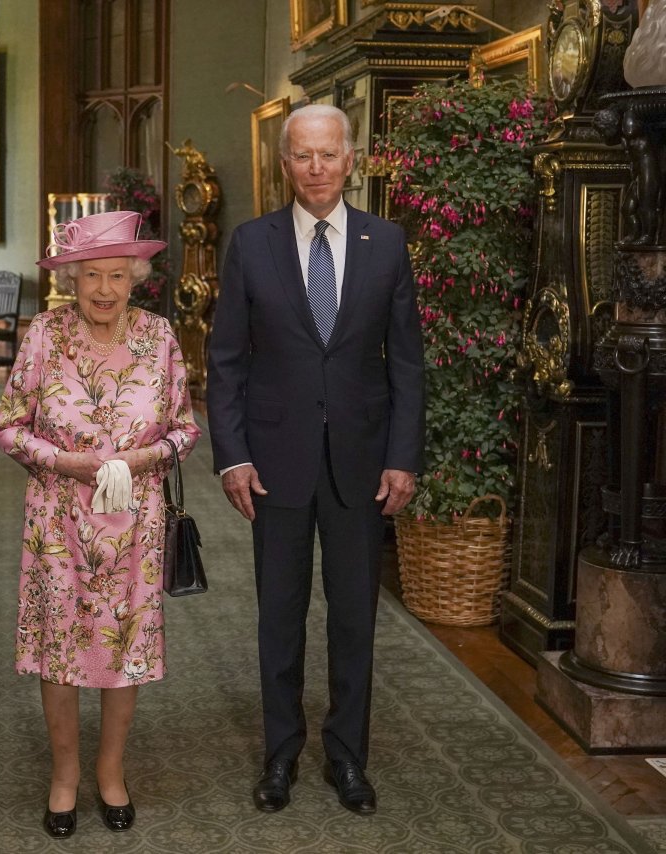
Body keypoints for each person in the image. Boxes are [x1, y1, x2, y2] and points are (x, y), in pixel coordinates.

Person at [206, 104, 424, 816]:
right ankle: (279, 757)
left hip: (364, 466)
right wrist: (232, 457)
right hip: (275, 463)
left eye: (329, 154)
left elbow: (408, 367)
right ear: (284, 162)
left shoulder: (386, 243)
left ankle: (347, 759)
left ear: (351, 158)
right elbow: (227, 360)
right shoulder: (251, 243)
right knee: (280, 618)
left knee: (356, 620)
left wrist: (403, 457)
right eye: (303, 156)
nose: (318, 168)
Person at [0, 211, 201, 838]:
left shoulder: (159, 337)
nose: (104, 289)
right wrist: (66, 461)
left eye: (116, 275)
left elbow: (186, 429)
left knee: (124, 648)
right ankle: (64, 776)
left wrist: (140, 459)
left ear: (135, 277)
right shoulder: (43, 335)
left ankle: (111, 771)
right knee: (62, 651)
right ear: (72, 280)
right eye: (91, 277)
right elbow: (7, 426)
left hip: (135, 522)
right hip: (58, 521)